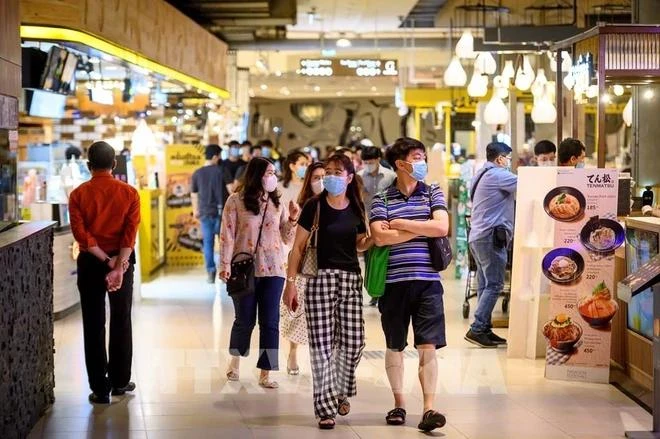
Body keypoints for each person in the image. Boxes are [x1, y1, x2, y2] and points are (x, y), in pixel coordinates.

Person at [283, 154, 372, 430]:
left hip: (350, 280)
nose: (331, 177)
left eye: (337, 172)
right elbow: (298, 247)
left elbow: (358, 243)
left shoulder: (357, 207)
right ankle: (325, 407)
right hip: (319, 279)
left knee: (354, 343)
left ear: (348, 177)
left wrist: (371, 240)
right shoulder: (314, 206)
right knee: (321, 347)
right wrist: (291, 283)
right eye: (327, 172)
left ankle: (340, 390)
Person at [369, 137, 449, 433]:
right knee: (395, 345)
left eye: (423, 156)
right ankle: (399, 403)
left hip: (428, 282)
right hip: (393, 283)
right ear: (401, 163)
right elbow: (378, 237)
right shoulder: (382, 199)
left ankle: (429, 408)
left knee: (428, 346)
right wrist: (420, 228)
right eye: (417, 157)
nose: (422, 162)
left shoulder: (433, 192)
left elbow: (441, 227)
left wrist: (401, 224)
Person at [68, 141, 140, 404]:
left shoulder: (77, 195)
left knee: (93, 322)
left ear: (88, 166)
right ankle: (120, 381)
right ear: (114, 164)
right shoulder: (130, 193)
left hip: (90, 262)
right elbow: (129, 235)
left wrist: (105, 260)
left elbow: (82, 236)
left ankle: (100, 387)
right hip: (121, 261)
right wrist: (119, 265)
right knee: (121, 319)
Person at [220, 157, 299, 389]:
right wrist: (225, 265)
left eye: (274, 173)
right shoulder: (236, 201)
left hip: (274, 268)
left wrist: (293, 219)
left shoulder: (277, 203)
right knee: (244, 320)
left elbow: (287, 237)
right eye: (268, 173)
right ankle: (235, 360)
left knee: (270, 322)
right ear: (256, 175)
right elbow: (227, 235)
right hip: (245, 268)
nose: (272, 177)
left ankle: (266, 371)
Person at [464, 142, 517, 348]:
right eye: (508, 158)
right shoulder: (497, 174)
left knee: (486, 284)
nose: (509, 162)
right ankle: (477, 328)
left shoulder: (481, 173)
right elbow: (529, 184)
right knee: (495, 284)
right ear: (500, 158)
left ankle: (484, 328)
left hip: (479, 236)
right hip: (490, 236)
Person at [280, 161, 325, 375]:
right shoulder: (305, 204)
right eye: (317, 178)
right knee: (299, 312)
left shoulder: (340, 202)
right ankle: (293, 351)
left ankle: (323, 360)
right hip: (306, 262)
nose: (322, 181)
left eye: (325, 176)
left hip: (330, 264)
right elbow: (293, 241)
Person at [358, 146, 396, 306]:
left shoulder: (390, 176)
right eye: (365, 162)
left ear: (378, 160)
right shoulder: (359, 176)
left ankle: (386, 289)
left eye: (371, 162)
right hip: (366, 222)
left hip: (386, 223)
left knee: (386, 257)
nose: (368, 164)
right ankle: (374, 291)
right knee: (369, 258)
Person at [192, 144, 225, 283]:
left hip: (205, 212)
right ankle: (224, 272)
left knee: (208, 243)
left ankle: (211, 272)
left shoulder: (197, 173)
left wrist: (195, 210)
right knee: (225, 243)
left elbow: (194, 194)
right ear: (215, 156)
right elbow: (230, 189)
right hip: (221, 212)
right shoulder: (221, 171)